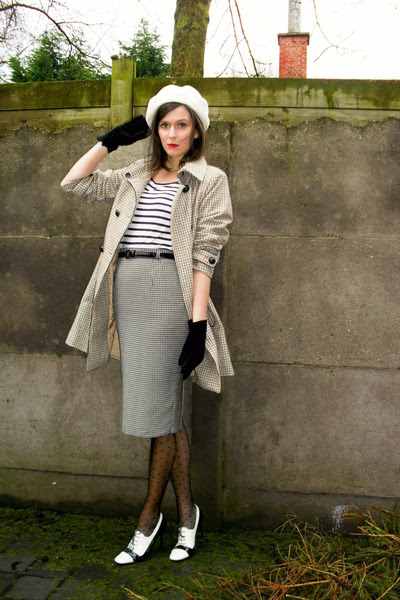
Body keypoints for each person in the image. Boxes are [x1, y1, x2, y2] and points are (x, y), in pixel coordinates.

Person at [60, 84, 233, 565]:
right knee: (166, 412)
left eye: (182, 124)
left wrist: (196, 324)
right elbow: (73, 184)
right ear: (155, 130)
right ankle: (187, 514)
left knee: (160, 412)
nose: (172, 133)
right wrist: (109, 141)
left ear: (197, 131)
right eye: (165, 124)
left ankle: (148, 518)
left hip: (172, 292)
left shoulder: (209, 179)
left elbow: (205, 254)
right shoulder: (136, 171)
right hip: (129, 288)